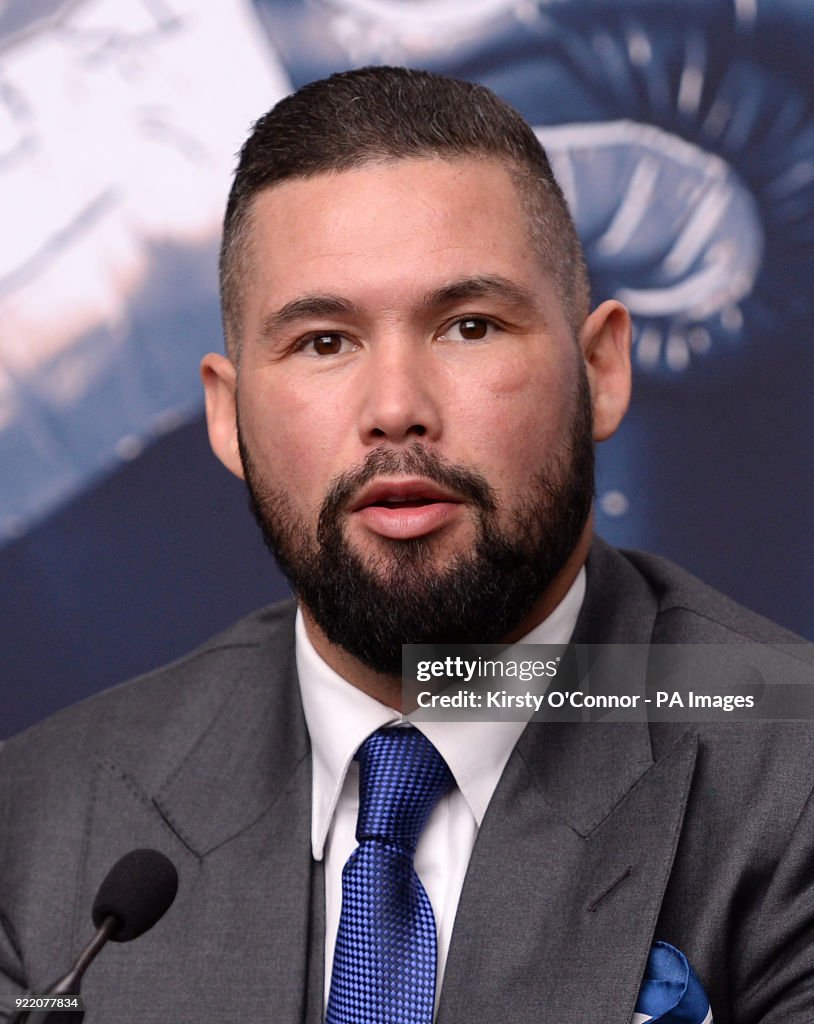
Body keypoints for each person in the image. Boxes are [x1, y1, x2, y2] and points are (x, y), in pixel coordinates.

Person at [1, 66, 813, 1024]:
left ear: (600, 372)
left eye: (469, 326)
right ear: (228, 418)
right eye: (323, 342)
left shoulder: (790, 777)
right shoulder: (37, 826)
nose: (395, 412)